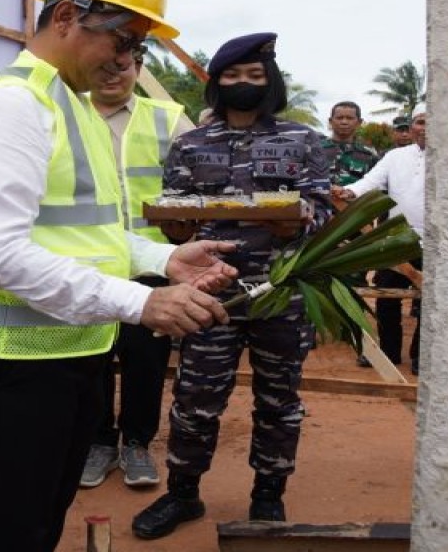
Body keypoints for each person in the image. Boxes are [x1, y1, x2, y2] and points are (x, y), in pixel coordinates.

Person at [0, 0, 237, 552]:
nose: (126, 58)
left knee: (41, 522)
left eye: (137, 47)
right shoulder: (13, 105)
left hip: (67, 354)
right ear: (68, 17)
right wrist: (140, 302)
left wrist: (162, 260)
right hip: (9, 365)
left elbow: (87, 233)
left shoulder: (69, 106)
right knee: (12, 532)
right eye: (123, 39)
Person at [132, 32, 332, 540]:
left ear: (270, 82)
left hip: (281, 293)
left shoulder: (302, 140)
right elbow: (174, 212)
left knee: (279, 401)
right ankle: (182, 494)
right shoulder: (191, 144)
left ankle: (268, 496)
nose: (243, 84)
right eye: (232, 76)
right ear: (217, 83)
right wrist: (174, 229)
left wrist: (299, 222)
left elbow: (325, 210)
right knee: (196, 397)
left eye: (254, 76)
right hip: (210, 291)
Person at [79, 47, 195, 490]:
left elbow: (199, 177)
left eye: (121, 66)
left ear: (139, 69)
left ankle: (137, 444)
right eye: (102, 65)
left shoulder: (167, 118)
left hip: (152, 263)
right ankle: (99, 442)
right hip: (89, 262)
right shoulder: (68, 116)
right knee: (91, 359)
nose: (111, 75)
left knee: (145, 360)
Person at [334, 111, 428, 374]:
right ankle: (389, 353)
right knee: (387, 298)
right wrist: (350, 191)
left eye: (431, 122)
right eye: (420, 122)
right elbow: (371, 181)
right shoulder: (396, 156)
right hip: (397, 238)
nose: (425, 128)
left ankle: (423, 356)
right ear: (412, 127)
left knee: (430, 301)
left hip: (437, 242)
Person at [324, 101, 379, 186]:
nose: (344, 122)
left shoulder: (370, 154)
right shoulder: (315, 150)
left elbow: (375, 184)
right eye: (339, 118)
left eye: (349, 118)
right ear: (331, 121)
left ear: (359, 122)